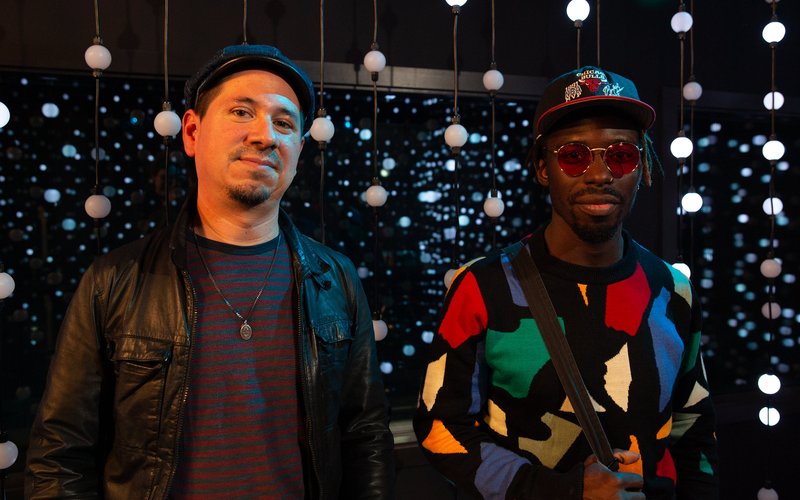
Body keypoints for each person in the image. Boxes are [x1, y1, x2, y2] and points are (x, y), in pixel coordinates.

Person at [26, 44, 395, 499]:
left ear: (299, 149)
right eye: (242, 112)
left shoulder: (336, 278)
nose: (265, 136)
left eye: (284, 123)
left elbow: (365, 434)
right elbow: (59, 455)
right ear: (192, 132)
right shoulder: (114, 280)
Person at [413, 66, 719, 499]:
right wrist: (564, 491)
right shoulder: (481, 285)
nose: (600, 175)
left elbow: (694, 430)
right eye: (574, 156)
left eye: (621, 155)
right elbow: (440, 427)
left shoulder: (672, 289)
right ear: (543, 168)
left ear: (643, 168)